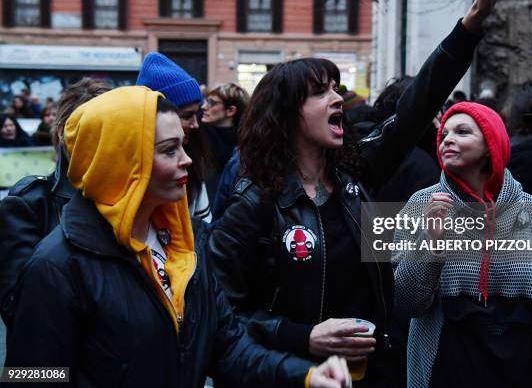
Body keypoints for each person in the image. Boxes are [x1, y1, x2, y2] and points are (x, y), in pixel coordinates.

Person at [207, 0, 526, 387]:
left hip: (375, 373)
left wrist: (471, 23)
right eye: (320, 92)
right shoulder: (253, 204)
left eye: (337, 88)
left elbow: (418, 105)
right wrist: (302, 337)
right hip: (297, 375)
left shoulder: (354, 174)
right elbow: (220, 312)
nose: (338, 97)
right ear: (286, 114)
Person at [5, 86, 352, 388]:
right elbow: (32, 375)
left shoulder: (187, 246)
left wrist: (304, 375)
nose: (187, 160)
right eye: (169, 150)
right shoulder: (56, 266)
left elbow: (227, 346)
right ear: (124, 162)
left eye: (182, 146)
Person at [393, 101, 532, 388]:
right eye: (444, 135)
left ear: (492, 143)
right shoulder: (422, 205)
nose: (448, 139)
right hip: (445, 366)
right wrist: (430, 245)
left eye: (463, 132)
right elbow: (405, 303)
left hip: (520, 366)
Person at [0, 78, 111, 322]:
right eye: (93, 128)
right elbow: (18, 311)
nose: (104, 140)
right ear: (63, 132)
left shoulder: (134, 199)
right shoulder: (29, 204)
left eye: (113, 129)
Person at [136, 52, 214, 223]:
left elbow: (203, 225)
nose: (195, 124)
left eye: (197, 114)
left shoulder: (194, 157)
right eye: (187, 116)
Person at [200, 82, 250, 173]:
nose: (203, 107)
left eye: (211, 103)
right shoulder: (199, 133)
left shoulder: (247, 143)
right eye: (205, 101)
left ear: (230, 111)